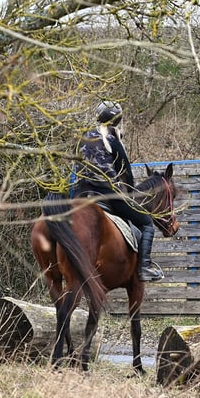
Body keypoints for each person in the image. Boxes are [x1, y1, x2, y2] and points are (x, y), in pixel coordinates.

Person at [71, 101, 165, 281]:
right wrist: (130, 194)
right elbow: (125, 173)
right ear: (117, 120)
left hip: (80, 194)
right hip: (107, 193)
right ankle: (144, 267)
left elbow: (75, 170)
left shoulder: (82, 138)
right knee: (146, 223)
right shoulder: (112, 139)